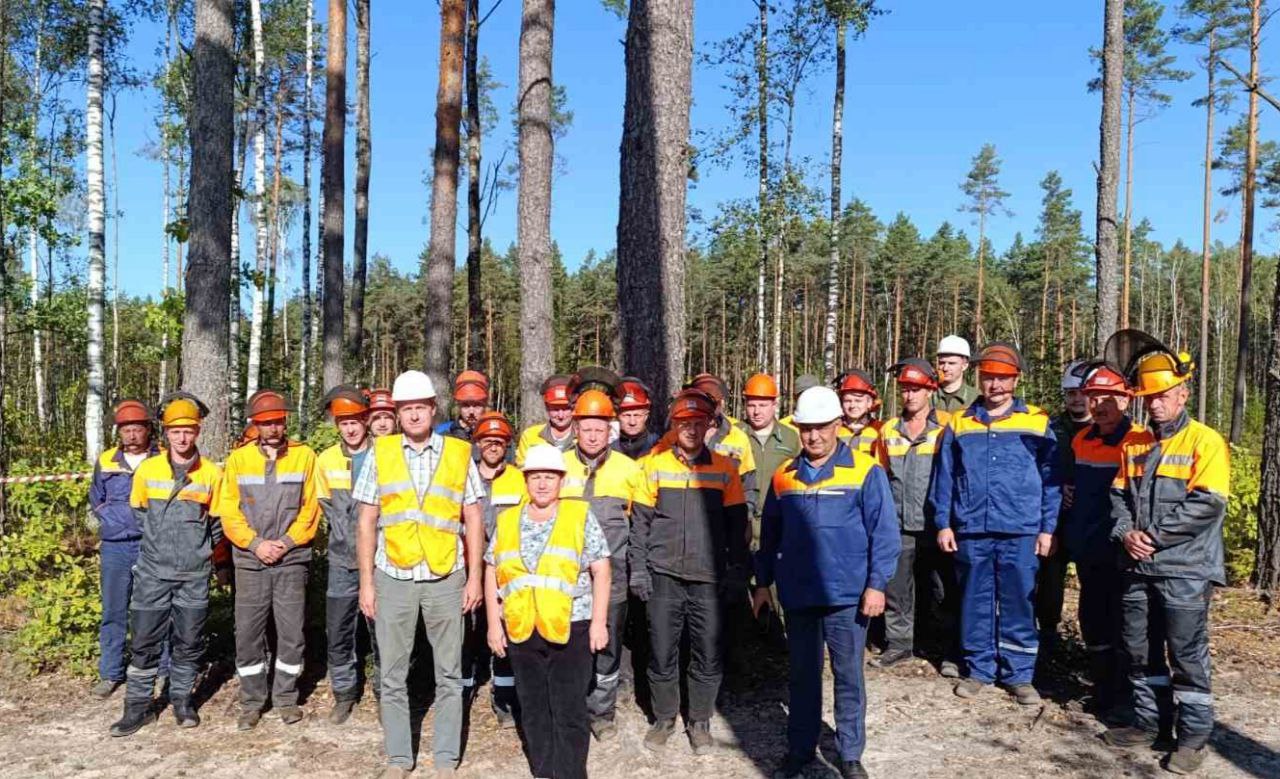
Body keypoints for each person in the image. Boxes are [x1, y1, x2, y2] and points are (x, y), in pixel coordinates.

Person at [753, 386, 898, 779]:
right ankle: (800, 749)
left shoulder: (866, 470)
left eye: (821, 427)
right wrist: (763, 583)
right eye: (806, 429)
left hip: (847, 595)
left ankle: (850, 754)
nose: (813, 436)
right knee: (802, 676)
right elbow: (770, 536)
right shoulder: (784, 476)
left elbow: (884, 533)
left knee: (849, 675)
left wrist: (876, 585)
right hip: (799, 593)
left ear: (837, 425)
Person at [1102, 337, 1229, 775]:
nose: (1155, 404)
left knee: (1187, 654)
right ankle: (1149, 723)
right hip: (1137, 566)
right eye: (1148, 398)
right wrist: (1126, 534)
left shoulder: (1205, 441)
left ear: (1183, 393)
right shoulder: (1134, 443)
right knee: (1140, 650)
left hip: (1185, 569)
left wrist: (1151, 538)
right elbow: (1118, 497)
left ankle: (1191, 739)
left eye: (1162, 396)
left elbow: (1207, 504)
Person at [352, 370, 486, 779]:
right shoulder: (380, 453)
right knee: (392, 674)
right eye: (406, 408)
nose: (413, 415)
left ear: (433, 408)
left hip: (447, 576)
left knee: (450, 674)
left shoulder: (459, 454)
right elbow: (366, 521)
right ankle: (398, 758)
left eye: (420, 407)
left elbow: (474, 518)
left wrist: (475, 578)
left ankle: (445, 758)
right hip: (394, 575)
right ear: (397, 412)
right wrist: (367, 583)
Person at [929, 342, 1060, 705]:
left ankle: (1019, 674)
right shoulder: (961, 422)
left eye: (1003, 378)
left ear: (1015, 381)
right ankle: (979, 670)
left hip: (1021, 529)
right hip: (972, 528)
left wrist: (1047, 529)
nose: (995, 385)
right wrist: (943, 523)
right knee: (975, 600)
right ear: (980, 378)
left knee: (1019, 601)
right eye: (989, 378)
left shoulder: (1037, 421)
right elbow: (944, 477)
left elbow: (1052, 481)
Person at [630, 388, 749, 755]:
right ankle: (664, 718)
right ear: (674, 426)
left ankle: (699, 720)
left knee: (707, 653)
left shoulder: (725, 468)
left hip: (708, 578)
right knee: (661, 652)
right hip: (663, 574)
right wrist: (639, 571)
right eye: (685, 423)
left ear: (709, 426)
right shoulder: (654, 465)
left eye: (699, 423)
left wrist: (736, 572)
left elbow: (738, 529)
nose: (692, 430)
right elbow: (640, 526)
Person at [485, 445, 611, 779]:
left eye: (549, 477)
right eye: (536, 477)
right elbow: (491, 569)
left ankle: (570, 773)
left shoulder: (580, 515)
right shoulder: (507, 520)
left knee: (569, 706)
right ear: (526, 480)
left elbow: (601, 570)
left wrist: (599, 623)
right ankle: (543, 770)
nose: (542, 484)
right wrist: (493, 624)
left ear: (561, 480)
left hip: (571, 624)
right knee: (533, 705)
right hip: (522, 625)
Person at [110, 394, 223, 736]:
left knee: (189, 642)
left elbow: (217, 523)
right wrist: (161, 545)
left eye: (188, 431)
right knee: (144, 642)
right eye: (176, 432)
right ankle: (137, 708)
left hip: (194, 575)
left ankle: (182, 701)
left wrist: (197, 551)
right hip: (153, 574)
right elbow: (139, 513)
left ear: (198, 432)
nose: (182, 438)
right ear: (166, 433)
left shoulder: (212, 473)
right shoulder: (148, 470)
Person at [218, 389, 321, 729]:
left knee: (291, 632)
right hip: (250, 561)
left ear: (285, 421)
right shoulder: (238, 459)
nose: (273, 428)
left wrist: (287, 543)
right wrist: (255, 544)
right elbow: (229, 511)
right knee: (248, 633)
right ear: (255, 425)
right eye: (265, 423)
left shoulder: (305, 456)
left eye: (277, 422)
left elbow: (311, 508)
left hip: (292, 559)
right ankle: (251, 702)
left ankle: (286, 699)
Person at [560, 390, 648, 740]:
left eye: (600, 429)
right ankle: (571, 709)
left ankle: (601, 713)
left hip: (614, 576)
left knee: (608, 646)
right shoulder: (558, 465)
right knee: (569, 644)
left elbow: (640, 524)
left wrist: (637, 570)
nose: (593, 436)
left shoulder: (629, 469)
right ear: (576, 429)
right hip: (567, 576)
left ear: (610, 429)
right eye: (587, 428)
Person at [1062, 363, 1134, 718]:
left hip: (1123, 552)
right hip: (1089, 548)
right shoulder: (1081, 440)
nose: (1100, 405)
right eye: (1094, 397)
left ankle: (1127, 697)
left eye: (1109, 398)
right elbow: (1074, 487)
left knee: (1126, 625)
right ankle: (1102, 691)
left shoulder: (1138, 441)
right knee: (1093, 621)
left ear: (1126, 400)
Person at [872, 359, 951, 670]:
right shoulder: (889, 430)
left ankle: (943, 647)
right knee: (897, 587)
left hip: (935, 522)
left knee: (940, 588)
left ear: (930, 390)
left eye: (916, 389)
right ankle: (899, 644)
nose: (910, 395)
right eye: (905, 389)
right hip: (897, 523)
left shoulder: (946, 426)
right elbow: (880, 477)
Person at [92, 399, 164, 700]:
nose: (132, 435)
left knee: (158, 609)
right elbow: (97, 500)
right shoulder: (107, 460)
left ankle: (161, 670)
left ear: (148, 430)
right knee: (114, 610)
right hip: (116, 547)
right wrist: (117, 522)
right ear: (119, 432)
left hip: (153, 546)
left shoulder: (163, 459)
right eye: (126, 429)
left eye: (137, 428)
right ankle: (110, 672)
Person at [317, 386, 377, 724]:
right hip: (341, 561)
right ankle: (343, 694)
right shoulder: (326, 460)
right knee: (338, 630)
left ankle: (385, 693)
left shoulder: (385, 454)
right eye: (344, 423)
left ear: (366, 420)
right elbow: (324, 506)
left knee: (383, 633)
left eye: (355, 421)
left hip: (380, 562)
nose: (350, 429)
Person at [467, 410, 525, 726]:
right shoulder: (464, 476)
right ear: (477, 443)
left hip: (506, 569)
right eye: (487, 440)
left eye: (499, 441)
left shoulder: (519, 479)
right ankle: (464, 691)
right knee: (466, 634)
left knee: (504, 632)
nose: (493, 446)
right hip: (467, 567)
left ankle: (504, 699)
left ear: (507, 445)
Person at [1037, 362, 1092, 657]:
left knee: (1092, 582)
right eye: (1071, 393)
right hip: (1055, 517)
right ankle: (1048, 635)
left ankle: (1094, 641)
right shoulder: (1051, 428)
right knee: (1049, 579)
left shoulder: (1103, 428)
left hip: (1090, 519)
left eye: (1082, 393)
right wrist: (1059, 489)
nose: (1076, 399)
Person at [736, 373, 801, 523]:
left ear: (774, 405)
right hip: (741, 519)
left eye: (762, 405)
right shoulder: (734, 434)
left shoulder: (790, 437)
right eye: (751, 405)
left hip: (778, 520)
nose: (756, 412)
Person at [516, 375, 576, 465]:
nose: (561, 415)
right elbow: (521, 468)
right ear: (547, 407)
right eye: (555, 409)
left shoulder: (584, 437)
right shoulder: (530, 436)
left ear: (574, 407)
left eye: (566, 408)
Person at [834, 370, 884, 461]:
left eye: (858, 401)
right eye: (847, 401)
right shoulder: (834, 429)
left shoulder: (881, 429)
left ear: (869, 402)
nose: (852, 406)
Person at [436, 370, 489, 446]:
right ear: (459, 406)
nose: (471, 412)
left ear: (485, 405)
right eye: (466, 406)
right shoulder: (442, 432)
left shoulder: (495, 433)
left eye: (477, 405)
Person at [612, 376, 659, 460]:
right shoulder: (608, 451)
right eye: (626, 415)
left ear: (646, 416)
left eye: (637, 415)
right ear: (617, 416)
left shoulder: (659, 447)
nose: (632, 422)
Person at [932, 335, 979, 413]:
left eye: (951, 363)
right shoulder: (928, 395)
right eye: (942, 363)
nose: (945, 368)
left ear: (964, 365)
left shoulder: (976, 398)